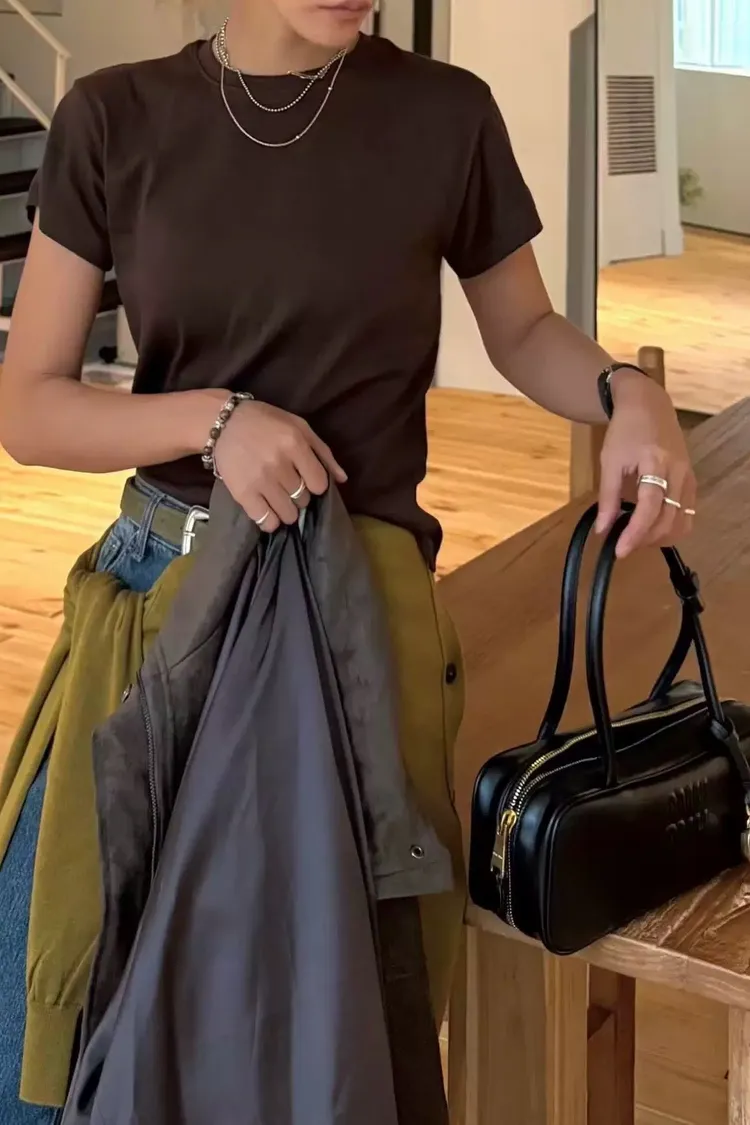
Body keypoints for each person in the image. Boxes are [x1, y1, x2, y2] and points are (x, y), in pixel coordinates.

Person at [0, 0, 695, 1120]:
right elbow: (30, 409)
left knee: (330, 1034)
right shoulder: (112, 117)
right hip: (156, 609)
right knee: (57, 1016)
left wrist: (632, 395)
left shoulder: (444, 115)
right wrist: (216, 422)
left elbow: (523, 330)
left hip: (355, 626)